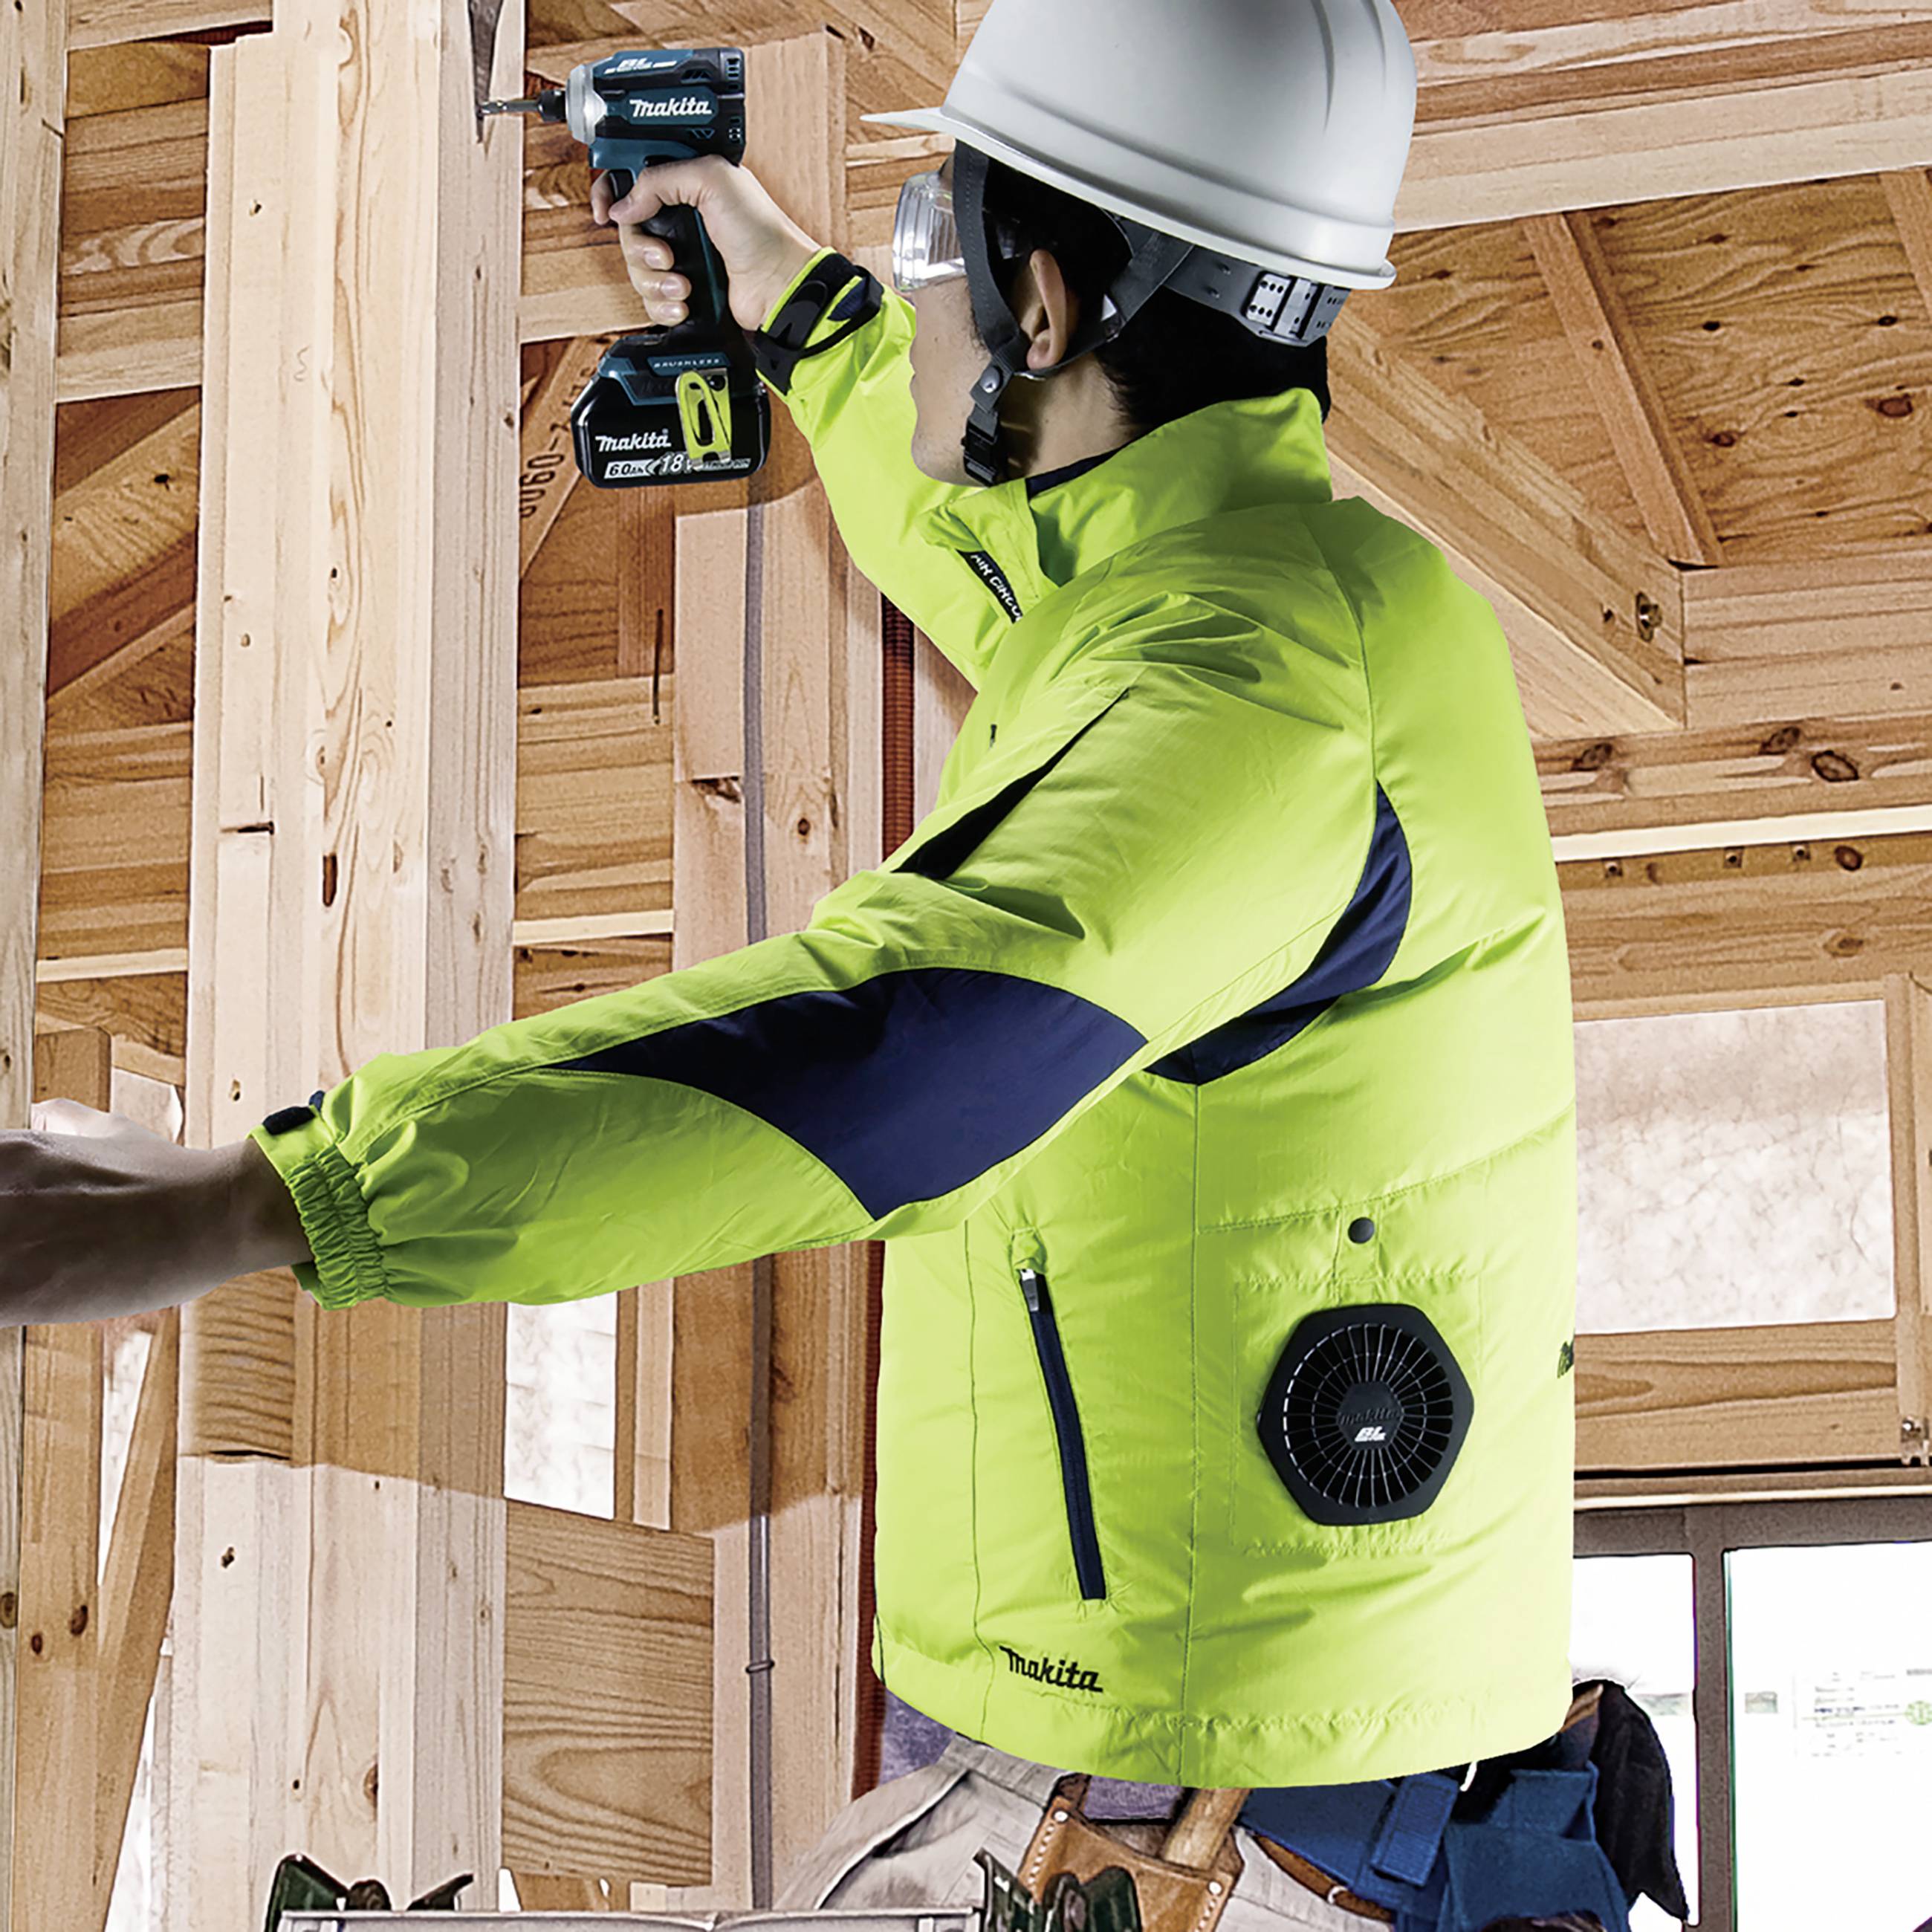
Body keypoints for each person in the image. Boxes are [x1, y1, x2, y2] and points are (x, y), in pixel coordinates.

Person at [4, 0, 1581, 1798]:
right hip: (1196, 1690)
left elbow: (888, 1050)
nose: (911, 281)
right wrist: (790, 296)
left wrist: (270, 1194)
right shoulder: (1248, 589)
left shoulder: (1246, 694)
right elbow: (993, 552)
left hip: (1201, 1758)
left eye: (929, 240)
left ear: (1043, 307)